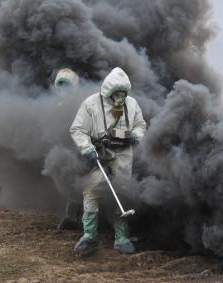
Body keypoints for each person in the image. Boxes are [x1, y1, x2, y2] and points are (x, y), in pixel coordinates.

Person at [70, 67, 146, 255]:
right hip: (99, 152)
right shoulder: (91, 104)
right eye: (116, 94)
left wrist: (135, 136)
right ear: (107, 91)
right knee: (92, 190)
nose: (119, 98)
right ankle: (89, 237)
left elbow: (140, 125)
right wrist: (86, 147)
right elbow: (77, 129)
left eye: (123, 94)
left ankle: (121, 238)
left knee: (121, 192)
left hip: (123, 154)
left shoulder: (132, 104)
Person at [53, 68, 83, 230]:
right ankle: (72, 217)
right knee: (72, 183)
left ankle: (76, 217)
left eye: (67, 85)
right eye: (61, 85)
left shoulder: (81, 102)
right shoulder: (56, 104)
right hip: (66, 147)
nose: (63, 89)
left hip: (81, 146)